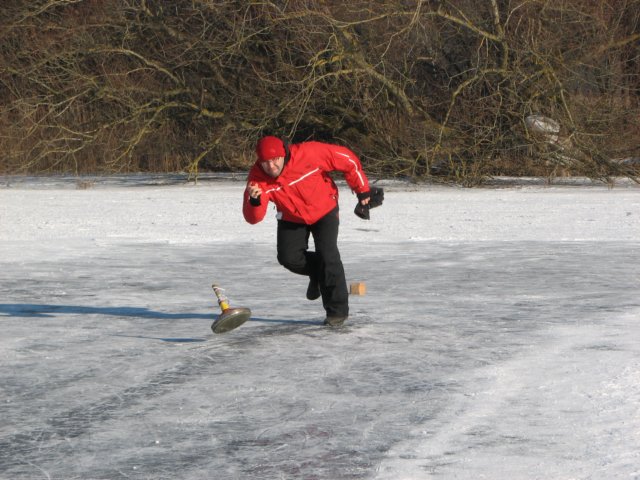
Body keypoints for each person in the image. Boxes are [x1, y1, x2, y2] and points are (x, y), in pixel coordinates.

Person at [243, 136, 383, 326]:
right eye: (265, 162)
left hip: (324, 208)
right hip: (292, 216)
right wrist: (255, 201)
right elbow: (253, 218)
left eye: (275, 159)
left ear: (283, 153)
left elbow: (347, 159)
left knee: (328, 255)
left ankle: (337, 313)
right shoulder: (257, 178)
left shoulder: (308, 153)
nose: (271, 166)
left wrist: (362, 189)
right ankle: (318, 273)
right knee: (288, 258)